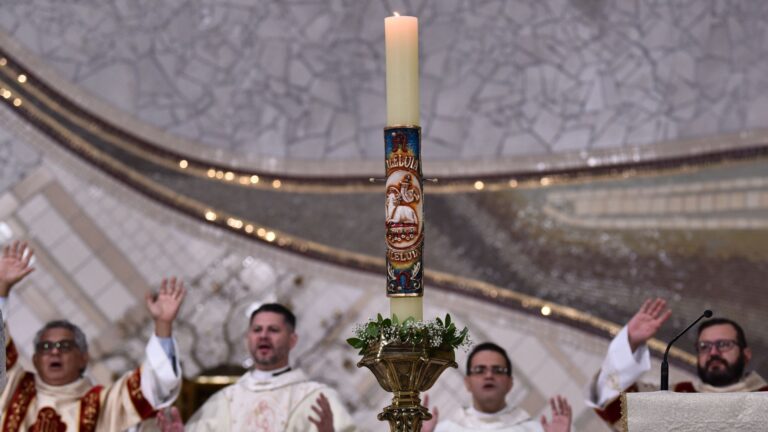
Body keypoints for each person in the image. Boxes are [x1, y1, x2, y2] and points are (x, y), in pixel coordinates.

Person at [0, 240, 186, 430]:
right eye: (46, 347)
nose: (54, 352)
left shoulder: (101, 408)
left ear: (83, 358)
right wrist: (2, 286)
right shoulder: (13, 390)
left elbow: (154, 384)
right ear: (35, 359)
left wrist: (163, 324)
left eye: (64, 346)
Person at [586, 298, 768, 429]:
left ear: (746, 354)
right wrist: (629, 344)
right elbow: (606, 401)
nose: (713, 353)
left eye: (723, 345)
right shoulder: (678, 397)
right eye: (704, 347)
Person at [179, 302, 355, 431]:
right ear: (248, 339)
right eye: (257, 330)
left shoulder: (317, 398)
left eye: (273, 330)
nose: (263, 336)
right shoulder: (224, 401)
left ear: (292, 340)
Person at [423, 342, 572, 432]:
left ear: (510, 383)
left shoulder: (535, 430)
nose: (489, 376)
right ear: (467, 383)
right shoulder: (444, 429)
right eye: (480, 370)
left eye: (498, 370)